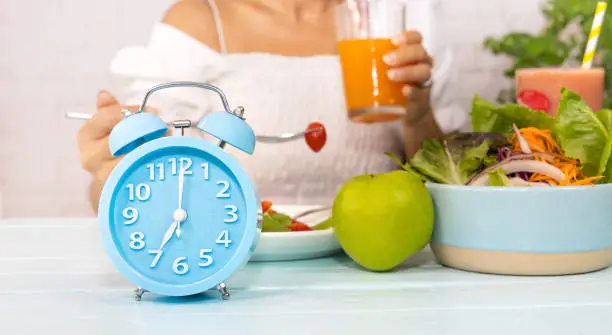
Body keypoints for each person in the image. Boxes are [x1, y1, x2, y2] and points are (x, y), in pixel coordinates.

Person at [77, 0, 467, 213]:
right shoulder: (198, 20)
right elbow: (128, 189)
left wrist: (418, 115)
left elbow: (455, 186)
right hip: (232, 269)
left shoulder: (399, 15)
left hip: (385, 267)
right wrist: (111, 172)